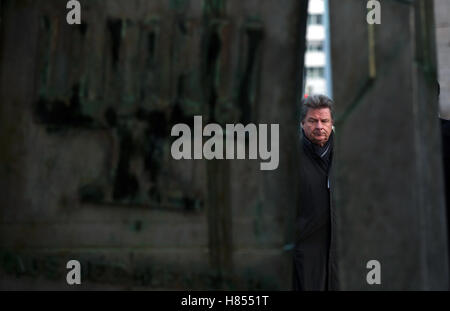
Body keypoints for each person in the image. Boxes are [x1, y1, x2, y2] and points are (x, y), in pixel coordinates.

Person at [293, 94, 339, 291]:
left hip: (341, 260)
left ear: (332, 122)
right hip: (305, 261)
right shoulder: (289, 160)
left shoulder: (349, 154)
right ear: (302, 123)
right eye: (313, 121)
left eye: (324, 121)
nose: (319, 126)